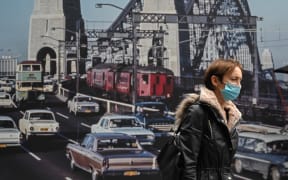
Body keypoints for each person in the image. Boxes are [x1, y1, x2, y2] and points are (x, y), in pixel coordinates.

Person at [175, 58, 242, 180]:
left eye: (240, 80)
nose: (238, 85)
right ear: (215, 80)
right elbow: (188, 165)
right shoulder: (198, 113)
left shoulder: (231, 116)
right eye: (233, 79)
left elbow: (225, 166)